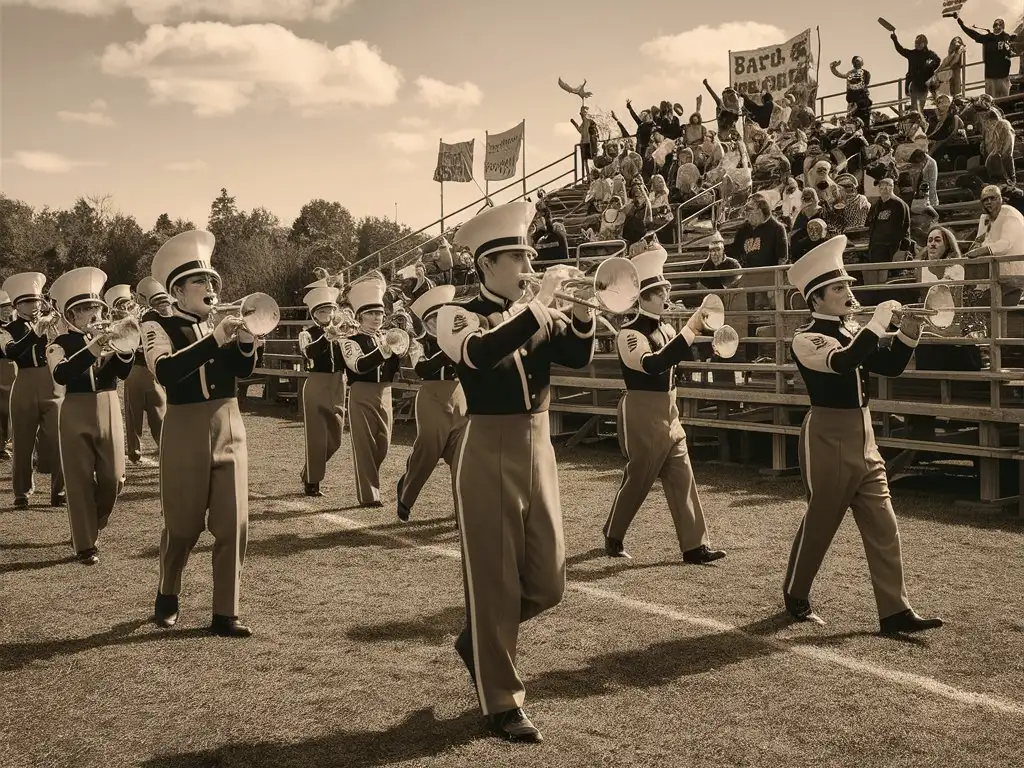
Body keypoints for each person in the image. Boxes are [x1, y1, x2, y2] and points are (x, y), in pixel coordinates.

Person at [435, 201, 596, 743]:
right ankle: (504, 703)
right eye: (518, 257)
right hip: (487, 447)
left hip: (538, 444)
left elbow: (576, 356)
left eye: (529, 255)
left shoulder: (538, 312)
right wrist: (541, 305)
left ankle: (479, 640)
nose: (528, 265)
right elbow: (480, 353)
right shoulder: (456, 314)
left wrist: (581, 314)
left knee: (549, 581)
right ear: (486, 265)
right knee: (495, 579)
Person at [783, 235, 944, 635]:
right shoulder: (806, 338)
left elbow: (889, 366)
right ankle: (796, 593)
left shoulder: (853, 329)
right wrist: (876, 322)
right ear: (816, 299)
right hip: (827, 434)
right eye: (839, 288)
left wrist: (907, 332)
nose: (849, 293)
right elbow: (844, 361)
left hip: (863, 433)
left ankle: (895, 611)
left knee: (884, 523)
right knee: (822, 521)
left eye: (848, 286)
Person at [143, 229, 258, 638]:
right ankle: (168, 590)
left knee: (233, 522)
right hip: (185, 427)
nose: (210, 287)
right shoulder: (156, 323)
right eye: (200, 281)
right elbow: (168, 371)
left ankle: (226, 611)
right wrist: (215, 340)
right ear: (177, 290)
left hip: (229, 423)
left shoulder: (221, 326)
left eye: (212, 281)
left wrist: (246, 340)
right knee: (184, 525)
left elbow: (243, 372)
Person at [602, 246, 726, 563]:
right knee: (640, 477)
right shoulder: (628, 333)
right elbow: (654, 364)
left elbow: (681, 357)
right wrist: (691, 329)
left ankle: (694, 545)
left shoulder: (668, 328)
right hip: (641, 410)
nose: (666, 294)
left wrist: (715, 345)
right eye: (659, 290)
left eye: (666, 288)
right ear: (643, 296)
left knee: (682, 473)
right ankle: (613, 533)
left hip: (669, 408)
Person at [47, 267, 133, 565]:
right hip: (75, 410)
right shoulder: (58, 344)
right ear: (70, 316)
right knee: (79, 480)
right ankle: (85, 545)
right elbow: (62, 373)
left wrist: (125, 347)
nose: (94, 314)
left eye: (96, 307)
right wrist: (94, 346)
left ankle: (90, 525)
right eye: (85, 309)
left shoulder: (107, 338)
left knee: (115, 479)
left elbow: (122, 372)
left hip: (108, 406)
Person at [395, 284, 467, 522]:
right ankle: (406, 491)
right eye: (433, 319)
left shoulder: (461, 338)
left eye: (443, 316)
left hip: (460, 397)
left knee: (462, 457)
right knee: (428, 451)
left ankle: (463, 514)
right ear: (425, 322)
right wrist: (448, 350)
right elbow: (422, 368)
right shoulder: (419, 343)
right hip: (431, 397)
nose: (439, 323)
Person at [0, 272, 65, 508]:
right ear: (18, 305)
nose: (35, 306)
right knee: (23, 443)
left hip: (52, 384)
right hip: (25, 383)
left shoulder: (50, 324)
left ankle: (59, 491)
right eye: (28, 302)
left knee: (57, 438)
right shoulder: (7, 329)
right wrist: (35, 333)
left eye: (37, 301)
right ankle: (21, 493)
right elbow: (12, 352)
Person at [340, 275, 403, 507]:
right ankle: (369, 495)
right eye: (371, 313)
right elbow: (358, 365)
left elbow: (393, 369)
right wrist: (385, 350)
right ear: (360, 316)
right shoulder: (350, 340)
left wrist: (399, 351)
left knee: (383, 444)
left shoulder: (386, 338)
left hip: (385, 393)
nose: (376, 318)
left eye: (379, 314)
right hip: (362, 394)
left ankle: (372, 483)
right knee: (365, 445)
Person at [297, 281, 347, 497]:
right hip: (317, 384)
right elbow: (309, 353)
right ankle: (312, 482)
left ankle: (308, 471)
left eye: (330, 310)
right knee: (316, 437)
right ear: (315, 314)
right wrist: (327, 336)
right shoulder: (307, 333)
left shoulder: (342, 332)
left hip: (338, 384)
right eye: (323, 311)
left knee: (335, 440)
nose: (328, 314)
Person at [953, 13, 1018, 98]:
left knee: (1005, 102)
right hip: (990, 77)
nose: (997, 27)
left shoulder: (1006, 37)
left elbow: (1012, 50)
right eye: (995, 25)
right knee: (992, 102)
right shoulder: (987, 38)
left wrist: (1010, 43)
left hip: (1004, 76)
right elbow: (972, 33)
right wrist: (960, 22)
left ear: (1003, 28)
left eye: (1000, 25)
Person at [889, 31, 941, 114]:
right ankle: (914, 114)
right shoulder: (912, 54)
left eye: (919, 43)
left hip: (924, 84)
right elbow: (901, 50)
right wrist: (895, 40)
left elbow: (938, 60)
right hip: (914, 83)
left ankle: (919, 119)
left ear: (925, 44)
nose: (917, 45)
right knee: (914, 106)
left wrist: (931, 64)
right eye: (916, 43)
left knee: (921, 106)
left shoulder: (930, 54)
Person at [0, 291, 16, 459]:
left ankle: (5, 443)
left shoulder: (14, 327)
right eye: (2, 308)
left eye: (8, 308)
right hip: (3, 368)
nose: (6, 311)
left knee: (8, 410)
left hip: (11, 370)